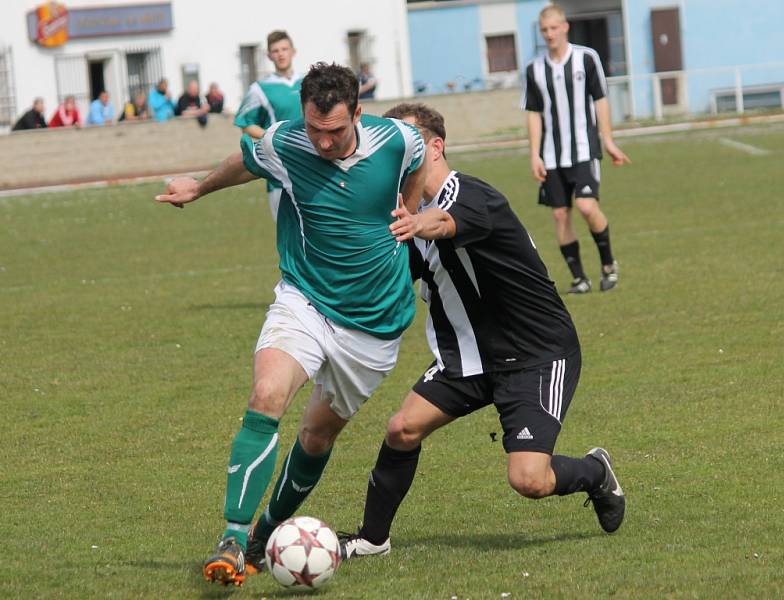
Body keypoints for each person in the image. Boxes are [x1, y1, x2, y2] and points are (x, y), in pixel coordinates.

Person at [155, 62, 426, 587]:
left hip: (374, 324)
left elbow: (418, 163)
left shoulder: (398, 140)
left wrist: (409, 211)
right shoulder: (287, 141)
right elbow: (245, 162)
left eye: (335, 132)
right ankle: (234, 537)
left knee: (316, 438)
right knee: (266, 395)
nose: (322, 143)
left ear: (358, 116)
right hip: (304, 300)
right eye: (314, 129)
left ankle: (266, 536)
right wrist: (198, 187)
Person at [336, 103, 625, 560]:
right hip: (468, 359)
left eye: (407, 144)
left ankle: (595, 471)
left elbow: (444, 223)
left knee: (528, 480)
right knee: (402, 429)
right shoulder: (406, 216)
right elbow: (384, 280)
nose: (396, 156)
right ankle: (373, 539)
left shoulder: (470, 196)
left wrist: (413, 224)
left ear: (435, 146)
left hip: (536, 353)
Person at [523, 3, 630, 294]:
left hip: (584, 150)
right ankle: (579, 279)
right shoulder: (534, 69)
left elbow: (601, 100)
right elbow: (533, 112)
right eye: (544, 30)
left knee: (585, 205)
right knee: (560, 214)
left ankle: (608, 264)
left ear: (565, 26)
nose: (549, 34)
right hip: (551, 154)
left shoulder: (586, 58)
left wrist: (607, 140)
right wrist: (534, 154)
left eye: (554, 28)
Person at [234, 30, 303, 220]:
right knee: (288, 234)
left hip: (311, 161)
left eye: (284, 49)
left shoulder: (309, 81)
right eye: (275, 50)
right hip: (279, 167)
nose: (280, 54)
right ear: (269, 55)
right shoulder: (260, 89)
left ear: (293, 51)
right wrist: (273, 137)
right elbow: (245, 123)